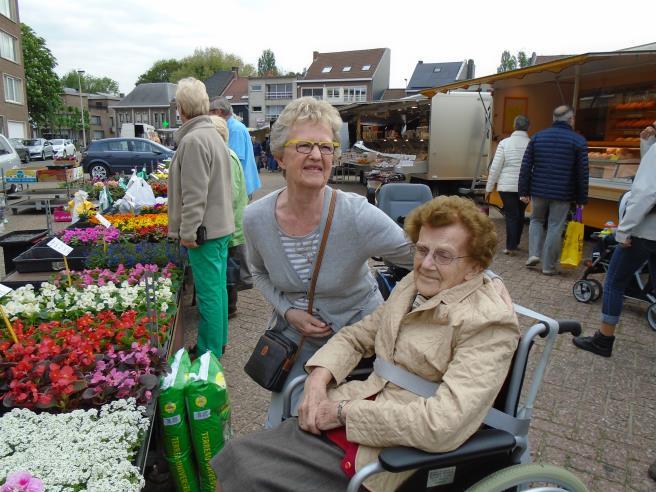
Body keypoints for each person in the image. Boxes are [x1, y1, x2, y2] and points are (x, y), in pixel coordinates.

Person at [212, 195, 520, 492]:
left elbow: (443, 423)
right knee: (235, 458)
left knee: (244, 474)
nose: (425, 264)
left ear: (476, 267)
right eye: (422, 249)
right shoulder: (412, 286)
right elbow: (357, 336)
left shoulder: (488, 323)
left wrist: (345, 412)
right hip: (354, 411)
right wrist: (318, 380)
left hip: (393, 452)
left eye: (443, 255)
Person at [242, 97, 414, 427]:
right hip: (297, 340)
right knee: (282, 426)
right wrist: (288, 311)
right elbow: (259, 273)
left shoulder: (356, 214)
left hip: (359, 341)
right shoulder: (255, 219)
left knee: (344, 429)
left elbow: (423, 256)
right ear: (279, 157)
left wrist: (483, 278)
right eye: (304, 145)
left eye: (326, 146)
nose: (316, 155)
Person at [573, 122, 656, 358]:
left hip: (644, 229)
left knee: (614, 282)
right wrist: (648, 143)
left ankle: (604, 339)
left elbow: (646, 191)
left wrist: (624, 230)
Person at [167, 78, 234, 358]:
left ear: (182, 108)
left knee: (208, 294)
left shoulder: (194, 140)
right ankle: (217, 342)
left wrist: (188, 233)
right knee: (217, 290)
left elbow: (194, 194)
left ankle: (209, 352)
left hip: (204, 233)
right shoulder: (212, 136)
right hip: (219, 228)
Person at [518, 105, 589, 275]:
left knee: (536, 220)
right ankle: (548, 266)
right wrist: (581, 199)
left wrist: (523, 191)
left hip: (538, 190)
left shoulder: (538, 137)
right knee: (555, 226)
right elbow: (582, 173)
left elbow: (526, 166)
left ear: (554, 119)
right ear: (571, 119)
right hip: (563, 193)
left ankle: (534, 254)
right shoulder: (578, 141)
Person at [210, 116, 251, 318]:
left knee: (229, 269)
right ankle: (229, 305)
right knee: (229, 266)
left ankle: (230, 307)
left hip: (230, 225)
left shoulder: (226, 156)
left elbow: (231, 194)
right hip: (231, 223)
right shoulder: (227, 155)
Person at [485, 115, 531, 255]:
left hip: (506, 186)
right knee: (520, 213)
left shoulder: (505, 143)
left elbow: (495, 167)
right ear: (528, 127)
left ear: (514, 126)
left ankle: (511, 247)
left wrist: (489, 187)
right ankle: (515, 243)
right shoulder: (532, 143)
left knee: (511, 215)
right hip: (525, 186)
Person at [210, 97, 261, 197]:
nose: (207, 116)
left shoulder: (234, 129)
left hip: (240, 187)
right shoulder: (233, 127)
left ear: (218, 112)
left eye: (209, 112)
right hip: (240, 185)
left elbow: (234, 161)